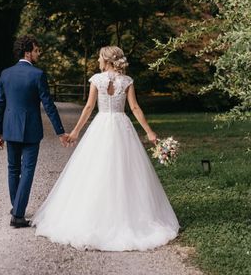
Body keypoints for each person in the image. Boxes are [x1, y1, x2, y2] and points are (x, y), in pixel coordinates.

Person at [34, 46, 180, 250]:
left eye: (99, 58)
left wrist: (75, 132)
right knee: (125, 171)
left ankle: (95, 216)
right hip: (121, 125)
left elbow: (88, 107)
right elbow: (135, 108)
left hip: (101, 125)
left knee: (96, 170)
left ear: (107, 60)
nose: (97, 61)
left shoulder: (96, 79)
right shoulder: (127, 81)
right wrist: (149, 131)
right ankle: (127, 216)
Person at [0, 35, 70, 228]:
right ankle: (18, 215)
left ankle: (16, 207)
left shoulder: (5, 74)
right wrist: (60, 132)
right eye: (36, 50)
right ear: (27, 52)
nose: (38, 53)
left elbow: (0, 104)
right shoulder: (37, 75)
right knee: (27, 170)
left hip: (10, 128)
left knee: (13, 168)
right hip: (31, 130)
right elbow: (49, 105)